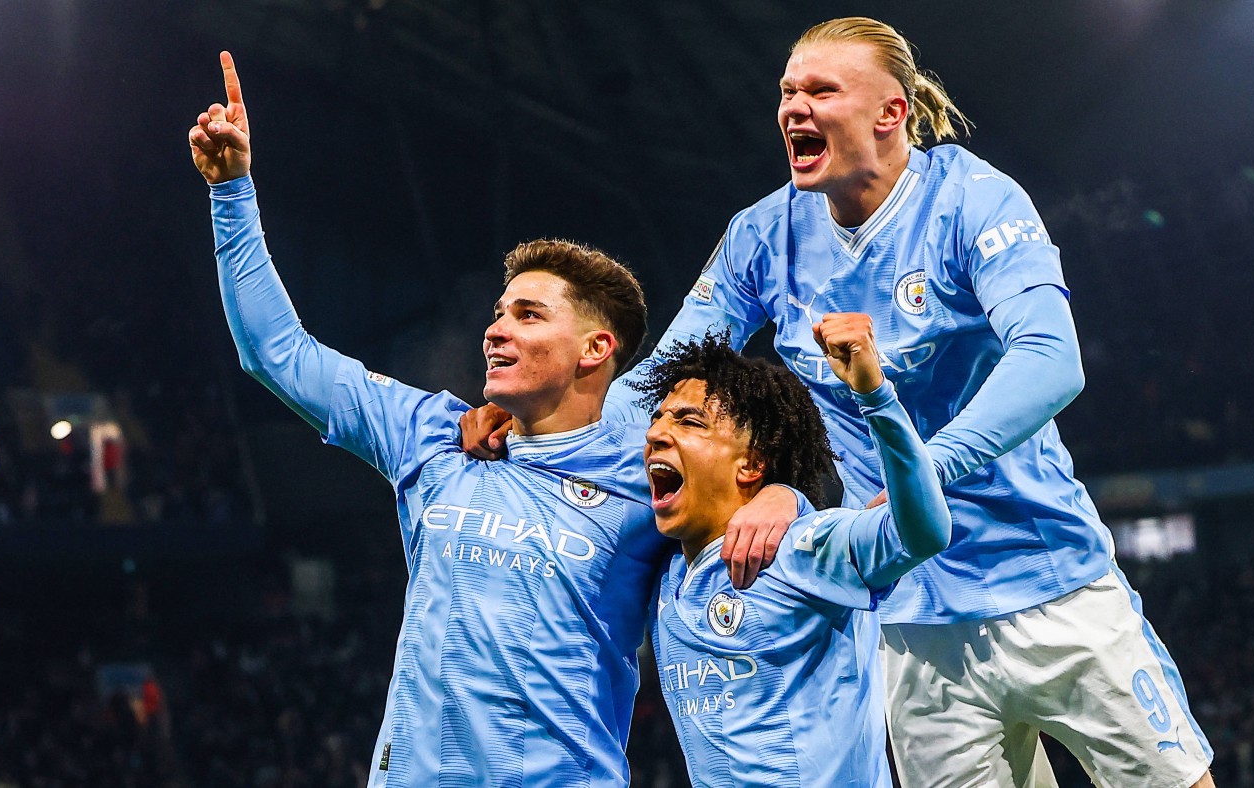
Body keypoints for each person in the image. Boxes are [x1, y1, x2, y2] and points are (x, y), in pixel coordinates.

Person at [464, 15, 1215, 788]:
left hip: (1049, 578)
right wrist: (541, 427)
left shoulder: (972, 200)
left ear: (891, 112)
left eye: (821, 91)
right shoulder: (764, 235)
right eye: (787, 92)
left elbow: (1051, 360)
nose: (794, 107)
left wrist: (926, 467)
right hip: (910, 618)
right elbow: (664, 376)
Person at [188, 52, 676, 786]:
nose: (496, 330)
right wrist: (231, 192)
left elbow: (778, 526)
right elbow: (277, 353)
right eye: (498, 312)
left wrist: (780, 500)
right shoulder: (434, 435)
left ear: (595, 349)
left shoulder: (652, 476)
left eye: (528, 315)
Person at [638, 319, 950, 787]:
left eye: (689, 421)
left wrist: (876, 397)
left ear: (751, 464)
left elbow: (923, 534)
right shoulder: (662, 572)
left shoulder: (800, 547)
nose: (656, 433)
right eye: (658, 418)